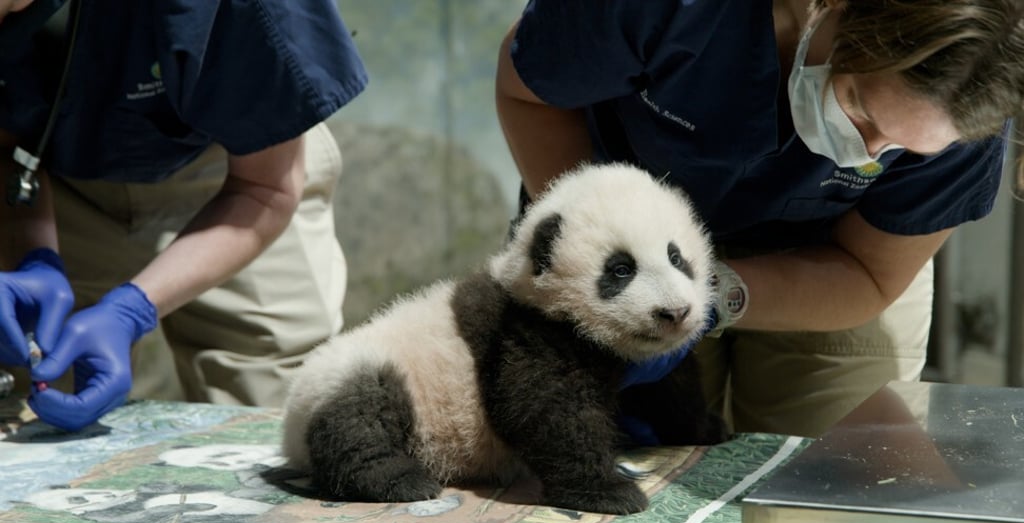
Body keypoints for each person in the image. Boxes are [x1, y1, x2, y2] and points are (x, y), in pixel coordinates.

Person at [496, 0, 1024, 438]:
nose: (866, 153)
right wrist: (601, 254)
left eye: (902, 149)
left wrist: (711, 294)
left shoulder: (971, 110)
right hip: (631, 244)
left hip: (831, 266)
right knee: (599, 457)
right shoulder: (672, 10)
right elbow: (529, 92)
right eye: (860, 109)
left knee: (834, 488)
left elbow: (868, 272)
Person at [0, 0, 367, 431]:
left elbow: (266, 188)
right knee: (40, 409)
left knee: (282, 417)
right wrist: (34, 259)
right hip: (59, 177)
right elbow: (7, 149)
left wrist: (131, 309)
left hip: (241, 167)